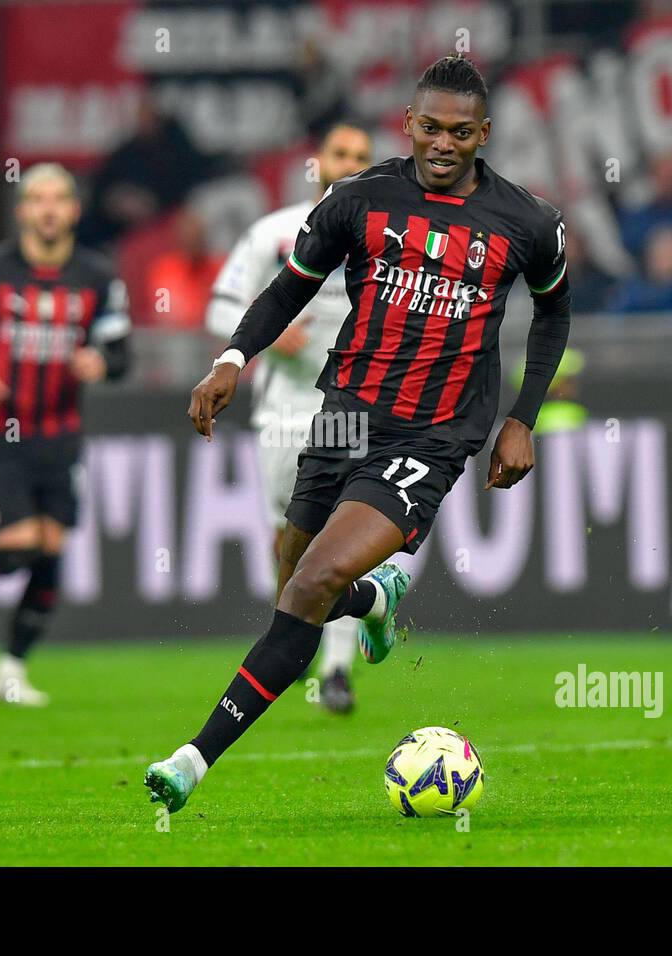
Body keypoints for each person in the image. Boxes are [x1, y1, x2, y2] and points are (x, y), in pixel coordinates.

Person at [145, 54, 571, 813]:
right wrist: (232, 360)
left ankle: (191, 760)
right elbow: (288, 288)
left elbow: (554, 311)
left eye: (460, 132)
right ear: (408, 124)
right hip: (342, 411)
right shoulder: (358, 199)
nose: (443, 144)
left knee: (310, 585)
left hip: (435, 434)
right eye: (430, 128)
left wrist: (521, 418)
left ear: (485, 134)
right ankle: (376, 602)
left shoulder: (528, 222)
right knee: (293, 586)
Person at [0, 163, 131, 705]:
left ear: (73, 210)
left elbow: (121, 351)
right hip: (3, 435)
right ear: (21, 211)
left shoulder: (96, 275)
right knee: (21, 545)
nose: (47, 209)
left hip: (62, 436)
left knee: (51, 554)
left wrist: (102, 362)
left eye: (58, 199)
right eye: (36, 199)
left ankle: (10, 670)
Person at [205, 121, 374, 714]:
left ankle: (335, 670)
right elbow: (221, 308)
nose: (350, 162)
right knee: (291, 540)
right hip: (284, 410)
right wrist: (271, 341)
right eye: (340, 152)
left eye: (361, 155)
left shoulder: (384, 235)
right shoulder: (274, 233)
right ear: (317, 162)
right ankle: (335, 626)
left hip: (351, 403)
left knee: (345, 531)